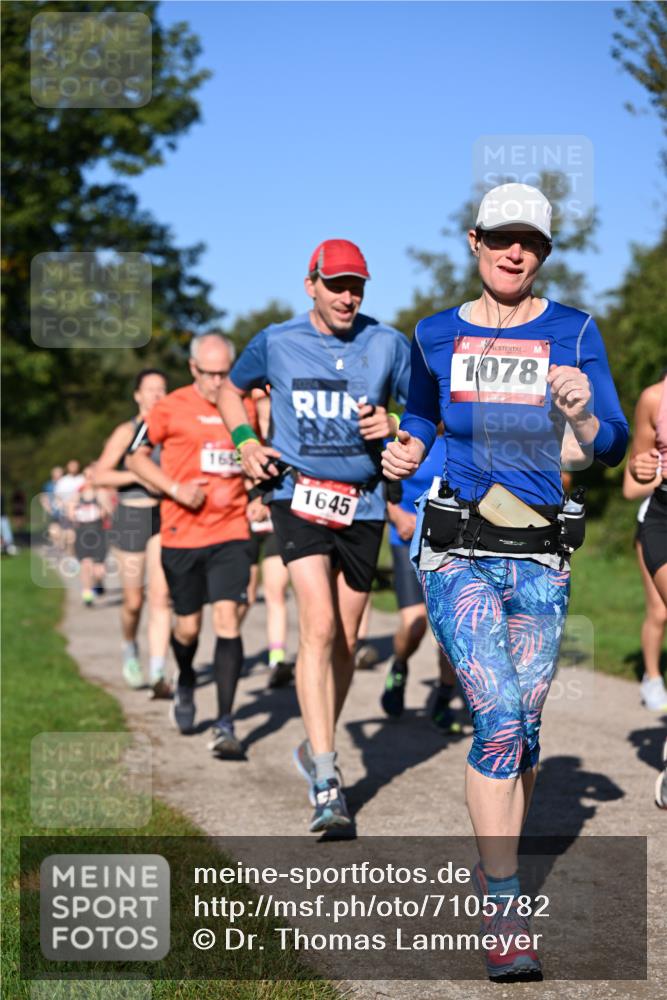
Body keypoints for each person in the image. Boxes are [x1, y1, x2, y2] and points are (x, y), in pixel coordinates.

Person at [382, 183, 628, 980]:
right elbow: (421, 412)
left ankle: (502, 871)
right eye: (500, 237)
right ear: (474, 240)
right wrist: (404, 449)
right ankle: (505, 907)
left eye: (529, 241)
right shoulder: (434, 332)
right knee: (493, 715)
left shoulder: (574, 331)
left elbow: (611, 443)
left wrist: (584, 413)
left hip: (539, 555)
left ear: (544, 253)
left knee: (522, 725)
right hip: (455, 546)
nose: (513, 251)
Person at [218, 239, 411, 832]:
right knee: (319, 626)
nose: (348, 295)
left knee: (348, 643)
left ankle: (312, 739)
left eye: (357, 285)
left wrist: (396, 423)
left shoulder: (387, 344)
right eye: (336, 284)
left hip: (366, 502)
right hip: (298, 495)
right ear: (311, 285)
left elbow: (425, 411)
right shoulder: (277, 340)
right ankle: (327, 776)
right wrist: (247, 443)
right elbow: (231, 388)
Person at [126, 333, 257, 759]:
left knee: (227, 619)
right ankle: (184, 678)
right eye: (210, 374)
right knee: (187, 628)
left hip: (232, 531)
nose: (219, 383)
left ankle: (224, 722)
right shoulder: (169, 407)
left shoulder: (245, 405)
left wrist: (257, 495)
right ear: (193, 368)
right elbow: (135, 457)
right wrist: (175, 488)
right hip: (182, 534)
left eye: (225, 373)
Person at [93, 369, 172, 697]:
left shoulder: (169, 430)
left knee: (160, 596)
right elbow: (100, 475)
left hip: (163, 516)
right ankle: (129, 648)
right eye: (150, 390)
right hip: (131, 517)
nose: (156, 395)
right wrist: (139, 475)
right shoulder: (127, 431)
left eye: (162, 390)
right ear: (137, 395)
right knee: (133, 600)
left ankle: (157, 671)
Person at [381, 433, 463, 734]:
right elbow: (380, 485)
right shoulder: (404, 438)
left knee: (450, 627)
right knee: (415, 623)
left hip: (450, 545)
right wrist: (396, 515)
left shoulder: (462, 438)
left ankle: (442, 700)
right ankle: (400, 664)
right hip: (406, 539)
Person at [246, 387, 294, 688]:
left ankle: (277, 659)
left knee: (276, 591)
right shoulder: (243, 439)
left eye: (268, 405)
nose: (265, 411)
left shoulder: (288, 438)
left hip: (277, 522)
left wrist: (267, 503)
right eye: (259, 406)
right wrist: (251, 500)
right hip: (244, 525)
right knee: (246, 597)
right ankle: (230, 649)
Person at [68, 464, 112, 606]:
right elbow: (70, 515)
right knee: (85, 565)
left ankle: (98, 582)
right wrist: (73, 512)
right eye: (86, 477)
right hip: (82, 533)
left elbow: (110, 512)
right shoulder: (77, 495)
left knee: (98, 570)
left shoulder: (102, 493)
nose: (89, 480)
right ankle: (87, 594)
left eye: (91, 477)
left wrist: (103, 506)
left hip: (99, 532)